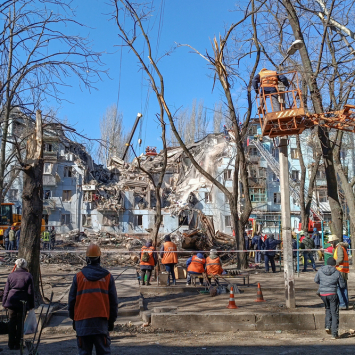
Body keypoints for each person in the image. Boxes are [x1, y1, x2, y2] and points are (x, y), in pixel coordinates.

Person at [68, 243, 118, 355]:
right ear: (99, 258)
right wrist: (111, 321)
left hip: (82, 323)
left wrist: (74, 319)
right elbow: (113, 303)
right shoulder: (108, 277)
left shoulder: (78, 277)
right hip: (101, 324)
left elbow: (71, 301)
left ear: (86, 258)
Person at [2, 258, 34, 350]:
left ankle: (11, 344)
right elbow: (30, 292)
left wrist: (4, 302)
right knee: (20, 323)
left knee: (11, 322)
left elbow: (6, 290)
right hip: (22, 301)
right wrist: (31, 305)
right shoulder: (28, 275)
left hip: (11, 300)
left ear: (16, 265)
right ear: (25, 266)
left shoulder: (11, 275)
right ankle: (19, 343)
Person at [314, 257, 346, 339]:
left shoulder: (320, 270)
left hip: (323, 294)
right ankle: (334, 334)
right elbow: (342, 285)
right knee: (334, 313)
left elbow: (316, 280)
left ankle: (327, 326)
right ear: (334, 264)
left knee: (327, 309)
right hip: (332, 294)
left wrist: (323, 283)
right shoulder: (337, 272)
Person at [328, 235, 349, 310]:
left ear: (334, 242)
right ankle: (345, 304)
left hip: (340, 270)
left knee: (338, 288)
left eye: (331, 243)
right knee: (343, 288)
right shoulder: (340, 248)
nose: (330, 244)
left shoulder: (339, 248)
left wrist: (334, 264)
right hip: (342, 270)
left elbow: (340, 258)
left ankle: (342, 304)